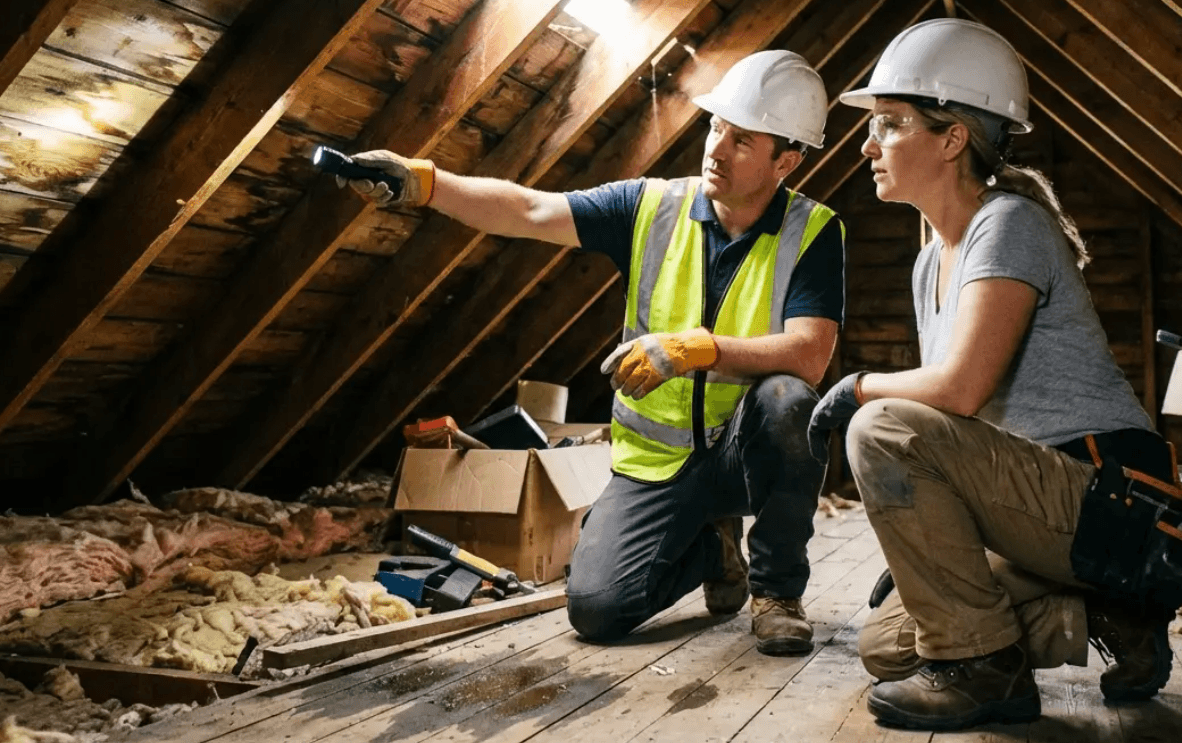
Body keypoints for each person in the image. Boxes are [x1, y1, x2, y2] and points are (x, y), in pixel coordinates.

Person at [330, 50, 847, 656]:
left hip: (741, 456)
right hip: (657, 462)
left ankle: (778, 593)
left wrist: (698, 349)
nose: (716, 149)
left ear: (785, 159)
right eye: (715, 127)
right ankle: (714, 550)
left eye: (742, 140)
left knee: (790, 400)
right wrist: (425, 184)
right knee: (597, 609)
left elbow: (809, 354)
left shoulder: (813, 231)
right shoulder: (650, 206)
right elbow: (530, 208)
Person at [809, 19, 1182, 731]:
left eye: (890, 124)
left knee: (879, 424)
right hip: (1035, 498)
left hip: (1109, 495)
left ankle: (987, 672)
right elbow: (957, 423)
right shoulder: (930, 260)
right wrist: (934, 549)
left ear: (953, 137)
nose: (867, 145)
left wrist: (857, 386)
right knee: (888, 646)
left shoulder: (1009, 223)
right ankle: (1111, 614)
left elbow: (955, 390)